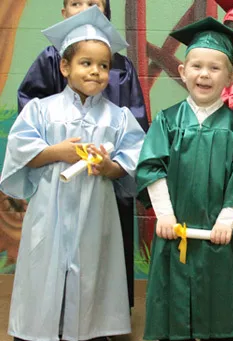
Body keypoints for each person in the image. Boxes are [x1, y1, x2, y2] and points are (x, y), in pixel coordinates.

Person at [1, 6, 145, 340]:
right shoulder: (42, 110)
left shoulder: (118, 117)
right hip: (50, 208)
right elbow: (20, 152)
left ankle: (92, 330)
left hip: (97, 209)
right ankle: (38, 329)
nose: (95, 72)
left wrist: (108, 167)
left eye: (104, 66)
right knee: (44, 266)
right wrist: (57, 152)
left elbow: (132, 160)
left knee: (95, 267)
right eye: (85, 63)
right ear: (64, 67)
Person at [136, 17, 233, 341]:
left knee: (219, 308)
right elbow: (152, 168)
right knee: (173, 309)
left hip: (216, 235)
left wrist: (226, 221)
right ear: (182, 71)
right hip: (175, 230)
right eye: (196, 66)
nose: (204, 74)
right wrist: (164, 215)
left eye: (214, 68)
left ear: (230, 76)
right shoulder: (167, 120)